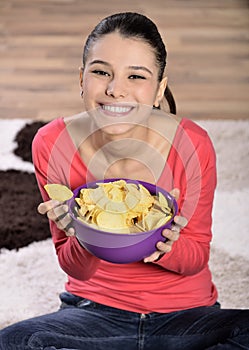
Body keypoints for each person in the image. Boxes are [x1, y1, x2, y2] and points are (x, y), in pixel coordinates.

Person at [0, 12, 248, 350]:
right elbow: (74, 266)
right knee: (13, 342)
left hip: (187, 319)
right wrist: (82, 234)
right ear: (82, 79)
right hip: (93, 316)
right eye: (101, 72)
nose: (116, 90)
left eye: (136, 76)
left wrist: (165, 243)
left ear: (159, 88)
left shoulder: (193, 143)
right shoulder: (51, 142)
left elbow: (196, 257)